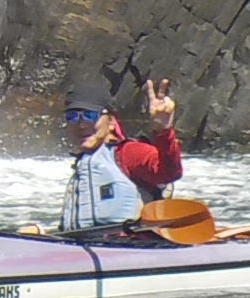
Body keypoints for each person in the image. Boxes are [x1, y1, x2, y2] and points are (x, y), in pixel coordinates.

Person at [61, 77, 183, 230]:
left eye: (90, 115)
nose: (81, 125)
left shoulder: (128, 153)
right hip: (84, 245)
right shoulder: (82, 167)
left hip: (129, 246)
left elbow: (169, 173)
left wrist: (163, 131)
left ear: (111, 121)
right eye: (72, 117)